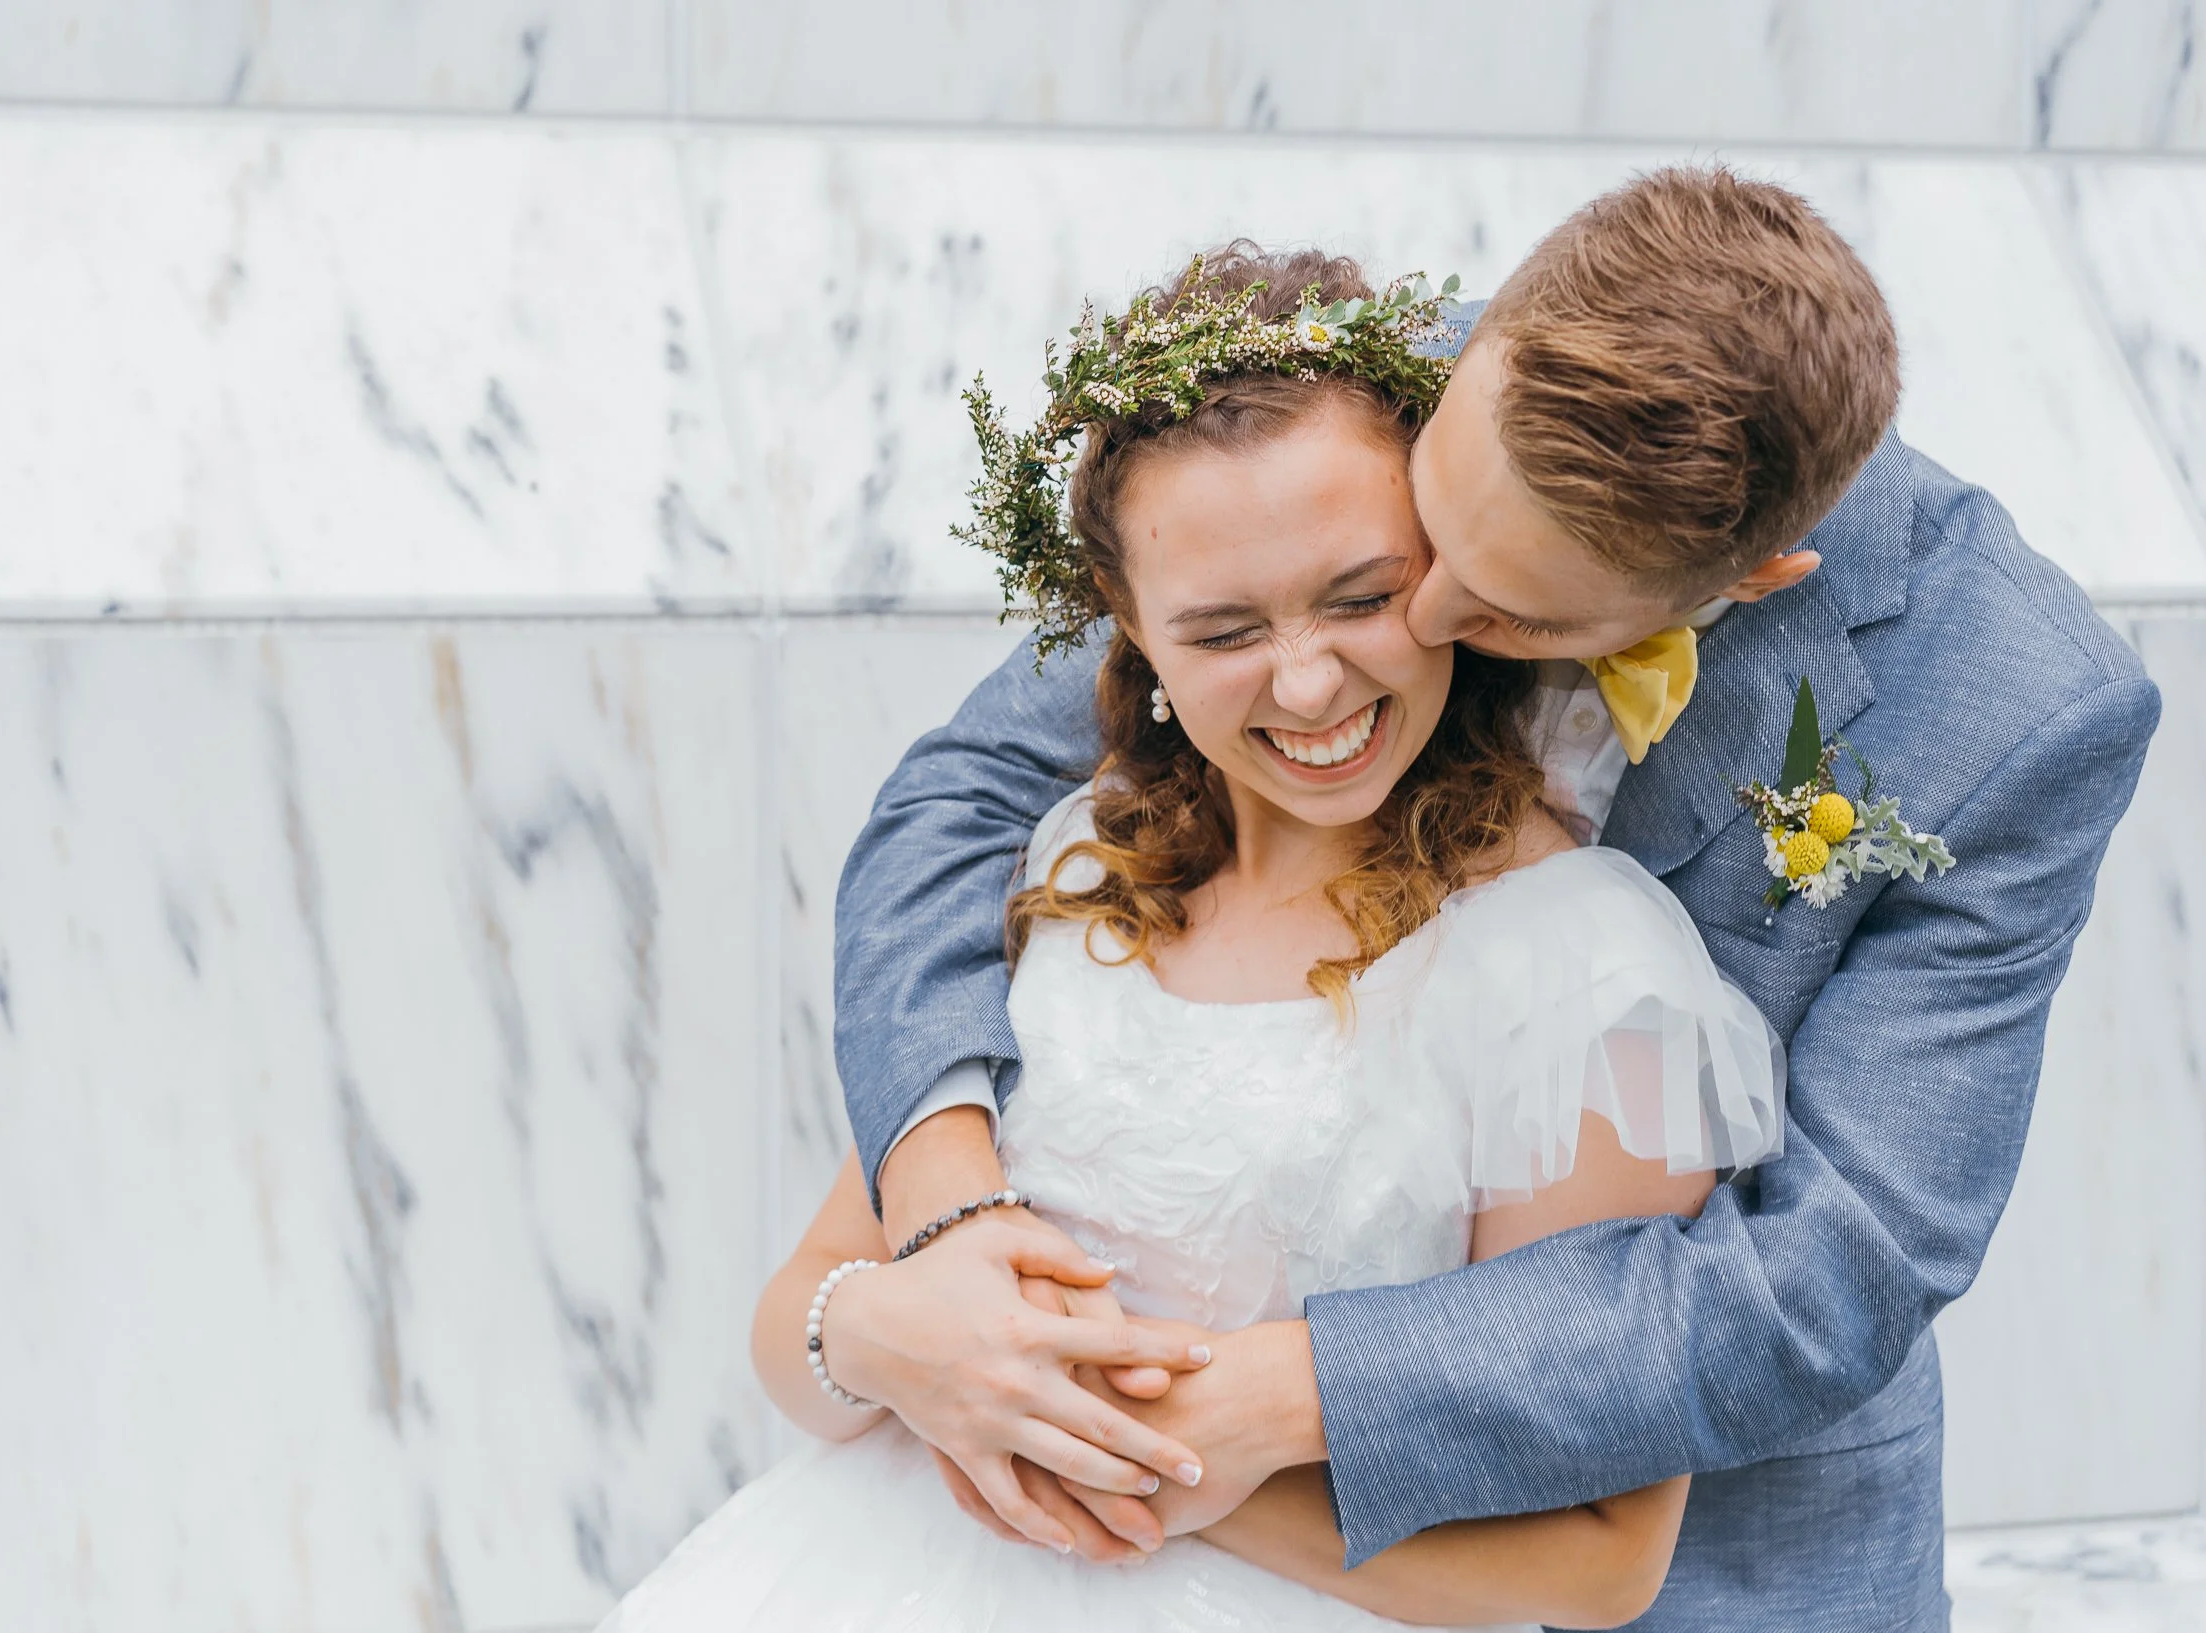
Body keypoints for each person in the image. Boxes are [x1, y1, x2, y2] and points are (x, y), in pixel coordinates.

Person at [829, 168, 2161, 1631]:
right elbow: (964, 798)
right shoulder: (1352, 397)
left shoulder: (2022, 708)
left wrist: (1291, 1395)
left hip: (1715, 1549)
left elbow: (1832, 1275)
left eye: (1512, 608)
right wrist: (945, 1212)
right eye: (1422, 540)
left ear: (1757, 576)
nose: (1419, 619)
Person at [599, 243, 1790, 1629]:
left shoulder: (1576, 967)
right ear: (1130, 629)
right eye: (1223, 630)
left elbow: (1601, 1556)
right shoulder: (1076, 861)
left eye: (1361, 596)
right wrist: (881, 1339)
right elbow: (797, 1313)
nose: (1309, 682)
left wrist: (1150, 1467)